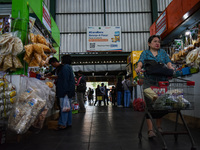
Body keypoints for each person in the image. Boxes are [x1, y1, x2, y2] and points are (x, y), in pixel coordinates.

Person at [135, 35, 174, 138]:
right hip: (149, 82)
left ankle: (159, 127)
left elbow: (168, 61)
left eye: (159, 42)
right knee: (150, 105)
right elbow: (141, 61)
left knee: (160, 104)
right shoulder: (145, 53)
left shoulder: (163, 53)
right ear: (149, 43)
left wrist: (170, 67)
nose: (157, 43)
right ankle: (150, 130)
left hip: (162, 82)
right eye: (155, 41)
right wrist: (139, 67)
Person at [56, 55, 75, 130]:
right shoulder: (69, 67)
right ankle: (68, 123)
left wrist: (65, 91)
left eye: (62, 59)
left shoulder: (65, 68)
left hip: (64, 91)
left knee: (64, 107)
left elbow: (65, 80)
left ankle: (62, 124)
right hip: (68, 91)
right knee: (68, 108)